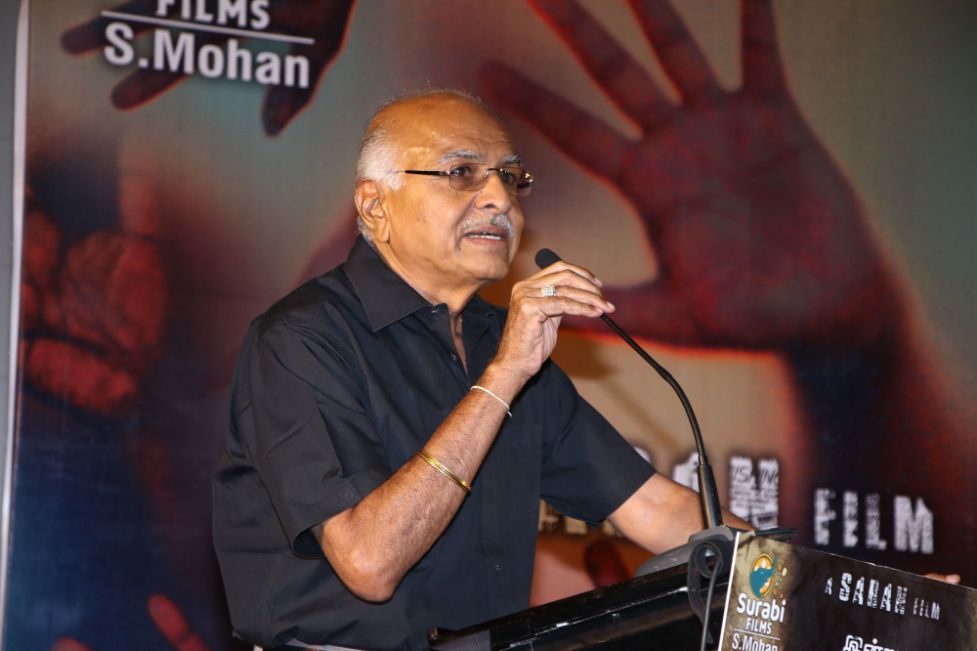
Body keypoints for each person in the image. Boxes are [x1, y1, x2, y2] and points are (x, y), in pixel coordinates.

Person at [212, 89, 748, 650]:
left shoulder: (503, 341)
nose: (500, 199)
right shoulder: (304, 338)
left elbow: (655, 507)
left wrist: (787, 577)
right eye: (461, 173)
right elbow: (368, 563)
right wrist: (503, 375)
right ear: (375, 206)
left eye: (510, 177)